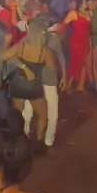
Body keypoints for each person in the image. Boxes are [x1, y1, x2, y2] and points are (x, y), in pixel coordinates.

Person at [2, 19, 55, 150]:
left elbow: (3, 56)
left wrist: (6, 44)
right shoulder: (46, 51)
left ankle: (17, 141)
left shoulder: (21, 46)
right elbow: (52, 69)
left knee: (17, 115)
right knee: (42, 115)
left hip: (18, 83)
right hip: (34, 85)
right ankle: (39, 143)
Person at [23, 17, 67, 149]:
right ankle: (30, 135)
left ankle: (47, 139)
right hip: (38, 80)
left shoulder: (52, 39)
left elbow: (61, 58)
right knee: (29, 112)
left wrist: (64, 76)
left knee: (48, 113)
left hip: (46, 80)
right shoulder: (30, 39)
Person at [60, 0, 92, 93]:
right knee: (75, 64)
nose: (86, 3)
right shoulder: (73, 13)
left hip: (85, 42)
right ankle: (68, 85)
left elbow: (89, 29)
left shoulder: (89, 13)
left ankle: (80, 85)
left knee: (84, 64)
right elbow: (63, 25)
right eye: (84, 2)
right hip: (76, 42)